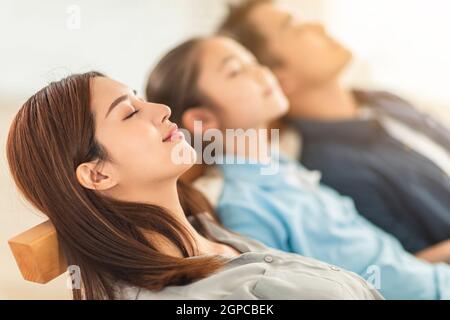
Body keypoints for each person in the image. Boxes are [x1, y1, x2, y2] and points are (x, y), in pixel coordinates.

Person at [6, 72, 381, 300]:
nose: (161, 109)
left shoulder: (205, 226)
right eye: (130, 112)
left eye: (140, 97)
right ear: (99, 175)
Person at [146, 35, 450, 299]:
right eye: (236, 70)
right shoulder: (245, 209)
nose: (262, 72)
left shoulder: (283, 165)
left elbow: (393, 266)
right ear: (204, 122)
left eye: (253, 61)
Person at [217, 0, 450, 254]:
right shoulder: (331, 170)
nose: (318, 25)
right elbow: (413, 264)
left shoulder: (381, 100)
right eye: (295, 28)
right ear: (279, 78)